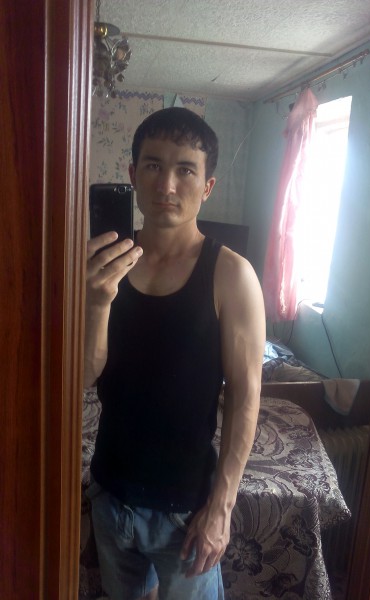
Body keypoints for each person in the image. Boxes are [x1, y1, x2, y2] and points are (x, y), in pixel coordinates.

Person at [84, 107, 266, 600]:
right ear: (132, 174)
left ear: (207, 186)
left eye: (185, 169)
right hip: (110, 491)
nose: (167, 184)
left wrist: (221, 507)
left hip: (187, 509)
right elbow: (83, 376)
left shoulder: (231, 275)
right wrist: (97, 302)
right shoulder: (104, 264)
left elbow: (246, 397)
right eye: (153, 165)